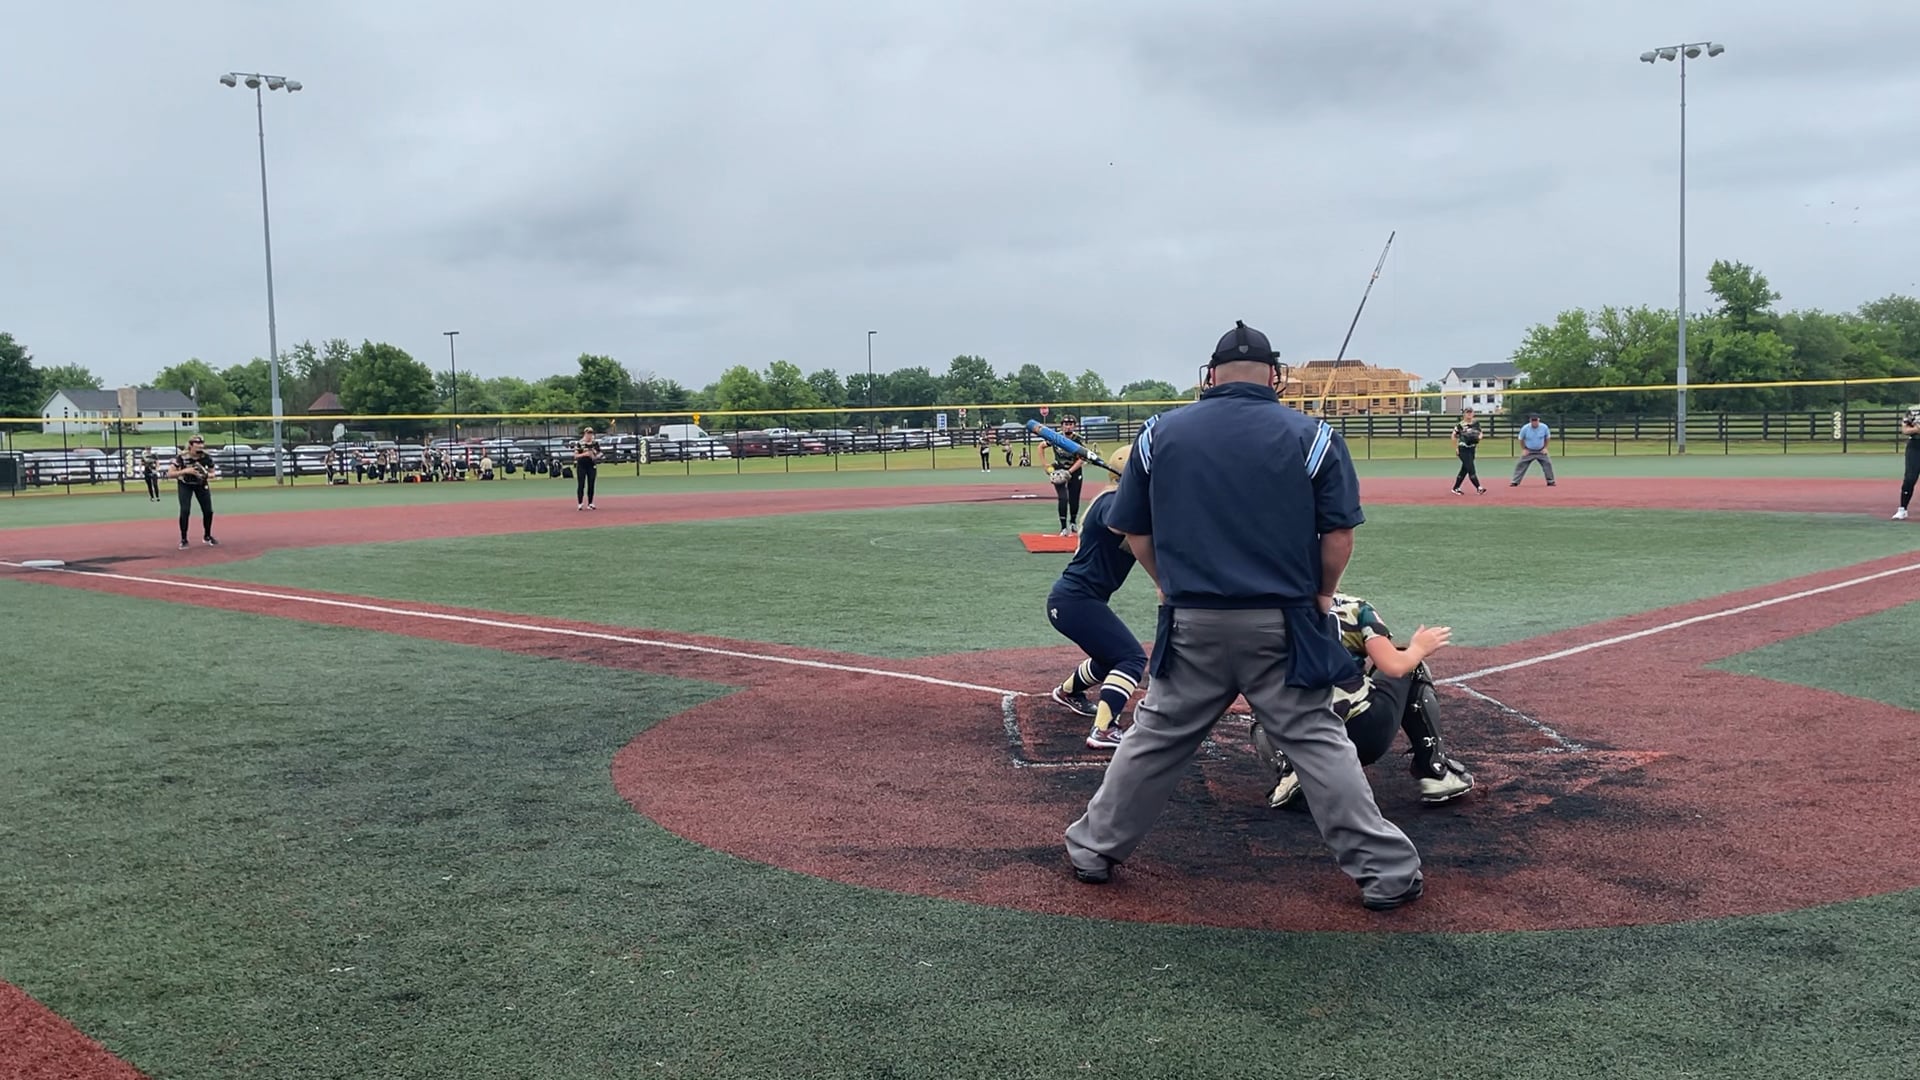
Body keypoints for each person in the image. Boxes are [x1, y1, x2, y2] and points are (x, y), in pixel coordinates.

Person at [1064, 320, 1425, 912]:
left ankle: (1092, 849)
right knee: (1318, 743)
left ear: (1210, 375)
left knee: (1154, 740)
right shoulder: (1313, 436)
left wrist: (1165, 586)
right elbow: (1338, 534)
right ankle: (1386, 872)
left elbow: (1132, 529)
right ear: (1275, 375)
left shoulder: (1158, 433)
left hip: (1192, 622)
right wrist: (1323, 595)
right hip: (1283, 624)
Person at [1251, 593, 1475, 810]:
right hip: (1361, 735)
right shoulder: (1355, 608)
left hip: (1297, 738)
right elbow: (1395, 667)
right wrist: (1419, 648)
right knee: (1411, 664)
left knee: (1262, 698)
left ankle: (1291, 770)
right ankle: (1436, 772)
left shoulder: (1264, 613)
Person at [1045, 445, 1144, 750]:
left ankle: (1067, 692)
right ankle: (1104, 728)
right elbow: (1120, 524)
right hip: (1076, 600)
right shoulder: (1112, 502)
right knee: (1131, 658)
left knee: (1108, 657)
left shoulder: (1114, 499)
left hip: (1075, 599)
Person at [171, 436, 218, 549]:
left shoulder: (206, 457)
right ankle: (184, 539)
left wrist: (205, 474)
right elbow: (170, 473)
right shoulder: (182, 457)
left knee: (208, 511)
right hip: (185, 484)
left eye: (202, 443)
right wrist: (186, 471)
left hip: (201, 484)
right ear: (191, 445)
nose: (201, 446)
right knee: (185, 510)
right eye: (197, 444)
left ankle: (207, 536)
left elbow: (213, 473)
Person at [1048, 415, 1087, 536]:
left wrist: (1069, 472)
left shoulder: (1078, 440)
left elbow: (1082, 458)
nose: (1068, 427)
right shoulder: (1056, 438)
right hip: (1059, 470)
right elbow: (1041, 446)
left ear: (1074, 426)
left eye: (1070, 424)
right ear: (1062, 426)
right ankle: (1063, 527)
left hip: (1074, 471)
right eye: (1066, 424)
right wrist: (1045, 465)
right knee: (1063, 498)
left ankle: (1073, 522)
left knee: (1074, 498)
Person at [1511, 414, 1556, 487]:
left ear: (1539, 420)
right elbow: (1521, 439)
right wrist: (1524, 449)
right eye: (1533, 421)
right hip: (1529, 451)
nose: (1534, 422)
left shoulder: (1544, 427)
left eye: (1536, 421)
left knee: (1547, 463)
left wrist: (1545, 448)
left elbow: (1547, 437)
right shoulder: (1525, 428)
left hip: (1540, 450)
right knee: (1521, 464)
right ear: (1530, 421)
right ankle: (1515, 481)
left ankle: (1551, 481)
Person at [1450, 408, 1486, 495]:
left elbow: (1481, 433)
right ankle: (1479, 487)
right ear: (1464, 414)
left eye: (1470, 412)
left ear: (1473, 414)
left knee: (1465, 469)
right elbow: (1453, 435)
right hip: (1463, 448)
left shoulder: (1476, 423)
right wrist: (1456, 448)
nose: (1469, 414)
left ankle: (1455, 488)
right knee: (1471, 468)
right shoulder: (1460, 425)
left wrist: (1478, 438)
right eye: (1467, 412)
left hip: (1472, 448)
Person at [1894, 406, 1919, 520]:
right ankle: (1903, 509)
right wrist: (1917, 429)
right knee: (1910, 478)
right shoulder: (1913, 410)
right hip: (1915, 446)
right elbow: (1905, 430)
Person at [574, 427, 602, 510]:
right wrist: (585, 454)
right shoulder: (579, 443)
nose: (589, 435)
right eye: (588, 433)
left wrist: (595, 456)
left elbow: (600, 453)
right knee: (581, 484)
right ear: (585, 434)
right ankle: (580, 503)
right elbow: (575, 455)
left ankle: (590, 503)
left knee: (591, 484)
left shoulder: (595, 443)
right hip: (582, 465)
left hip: (591, 465)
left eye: (591, 433)